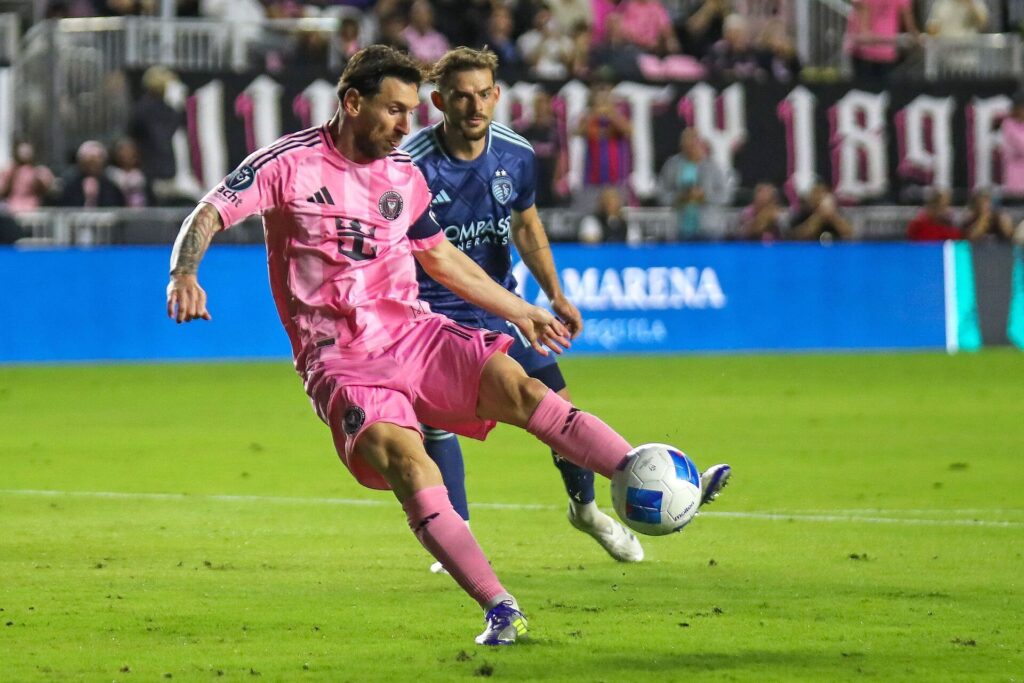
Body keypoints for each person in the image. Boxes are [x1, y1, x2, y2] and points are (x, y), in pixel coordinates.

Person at [165, 46, 731, 647]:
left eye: (411, 111)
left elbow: (439, 257)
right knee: (412, 467)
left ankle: (641, 478)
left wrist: (524, 310)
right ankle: (500, 608)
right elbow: (209, 213)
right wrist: (184, 274)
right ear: (352, 102)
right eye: (393, 110)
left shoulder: (401, 176)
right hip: (343, 362)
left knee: (525, 387)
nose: (405, 126)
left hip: (416, 334)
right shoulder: (290, 164)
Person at [401, 47, 645, 572]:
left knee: (559, 405)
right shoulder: (411, 165)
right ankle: (456, 537)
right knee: (438, 425)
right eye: (461, 96)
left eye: (484, 94)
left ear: (496, 94)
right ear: (440, 101)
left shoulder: (515, 154)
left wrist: (554, 293)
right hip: (433, 317)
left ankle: (586, 512)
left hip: (501, 308)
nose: (474, 106)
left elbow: (527, 225)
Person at [658, 128, 732, 240]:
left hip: (709, 229)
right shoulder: (672, 165)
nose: (691, 144)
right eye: (687, 141)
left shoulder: (713, 166)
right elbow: (661, 194)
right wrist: (679, 197)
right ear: (681, 144)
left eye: (694, 141)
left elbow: (725, 196)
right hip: (680, 229)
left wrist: (705, 196)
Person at [0, 140, 55, 214]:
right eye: (22, 151)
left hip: (32, 209)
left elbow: (51, 190)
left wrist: (40, 179)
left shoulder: (38, 171)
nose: (25, 154)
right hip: (12, 209)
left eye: (27, 152)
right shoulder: (9, 171)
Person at [789, 182, 854, 242]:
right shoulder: (804, 213)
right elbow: (796, 236)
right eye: (818, 198)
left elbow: (850, 234)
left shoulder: (839, 214)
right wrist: (819, 217)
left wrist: (833, 217)